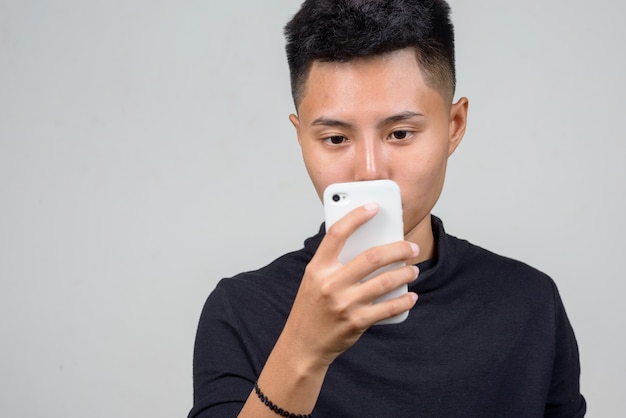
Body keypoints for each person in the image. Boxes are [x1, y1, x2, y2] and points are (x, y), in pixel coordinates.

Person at [189, 0, 586, 416]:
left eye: (399, 133)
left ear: (454, 127)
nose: (370, 172)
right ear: (301, 136)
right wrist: (302, 352)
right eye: (336, 139)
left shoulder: (528, 301)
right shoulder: (240, 310)